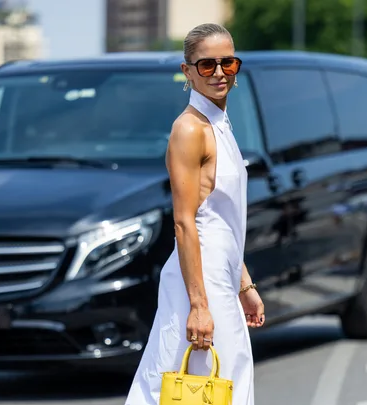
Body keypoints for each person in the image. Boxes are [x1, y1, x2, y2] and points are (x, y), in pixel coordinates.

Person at [124, 22, 265, 405]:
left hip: (221, 275)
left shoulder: (220, 124)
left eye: (228, 63)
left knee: (216, 387)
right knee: (194, 389)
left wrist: (245, 285)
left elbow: (224, 217)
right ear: (187, 72)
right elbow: (186, 224)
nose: (219, 72)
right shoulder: (189, 129)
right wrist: (199, 305)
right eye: (206, 65)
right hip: (198, 280)